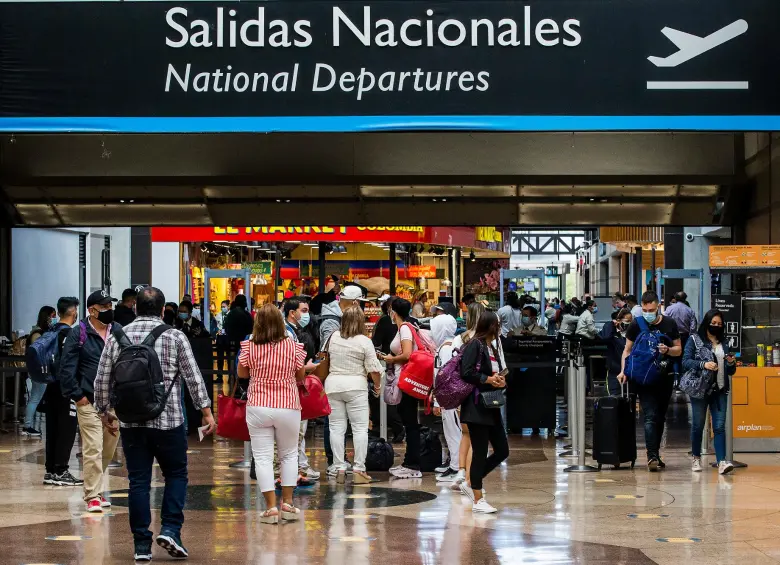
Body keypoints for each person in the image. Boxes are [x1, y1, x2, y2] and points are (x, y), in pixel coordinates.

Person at [94, 287, 215, 561]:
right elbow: (193, 378)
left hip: (132, 422)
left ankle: (141, 547)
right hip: (169, 420)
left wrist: (105, 413)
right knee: (176, 475)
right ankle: (171, 529)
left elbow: (102, 380)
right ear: (163, 310)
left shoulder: (117, 337)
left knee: (138, 482)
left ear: (135, 307)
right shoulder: (174, 336)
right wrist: (206, 412)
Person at [237, 304, 306, 525]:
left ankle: (270, 508)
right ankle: (287, 503)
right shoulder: (293, 346)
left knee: (263, 457)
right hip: (288, 405)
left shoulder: (249, 346)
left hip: (258, 405)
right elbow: (300, 376)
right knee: (288, 454)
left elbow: (242, 373)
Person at [59, 289, 120, 513]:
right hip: (89, 401)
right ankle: (92, 495)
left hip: (113, 402)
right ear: (92, 310)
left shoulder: (117, 331)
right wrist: (79, 396)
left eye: (110, 307)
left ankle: (97, 488)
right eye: (104, 308)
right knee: (92, 447)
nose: (109, 311)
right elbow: (66, 369)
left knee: (107, 449)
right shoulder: (79, 333)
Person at [617, 290, 682, 471]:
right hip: (644, 378)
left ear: (658, 307)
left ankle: (656, 453)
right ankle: (651, 455)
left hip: (664, 377)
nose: (648, 313)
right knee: (650, 415)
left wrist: (667, 350)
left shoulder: (669, 324)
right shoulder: (636, 325)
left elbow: (679, 349)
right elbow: (627, 350)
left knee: (660, 416)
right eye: (645, 309)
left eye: (651, 309)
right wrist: (624, 371)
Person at [458, 311, 510, 514]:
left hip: (491, 405)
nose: (500, 328)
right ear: (491, 326)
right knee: (480, 451)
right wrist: (489, 380)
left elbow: (495, 372)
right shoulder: (475, 344)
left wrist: (500, 380)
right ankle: (478, 498)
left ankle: (472, 481)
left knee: (502, 450)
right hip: (476, 405)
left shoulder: (492, 347)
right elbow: (467, 372)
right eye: (498, 325)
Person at [326, 306, 383, 484]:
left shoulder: (333, 337)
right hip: (356, 386)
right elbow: (374, 369)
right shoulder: (364, 341)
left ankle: (339, 467)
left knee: (336, 428)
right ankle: (359, 468)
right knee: (359, 428)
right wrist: (378, 385)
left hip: (333, 385)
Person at [684, 309, 737, 475]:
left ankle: (721, 461)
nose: (716, 326)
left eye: (719, 324)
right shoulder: (695, 340)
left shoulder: (725, 342)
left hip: (720, 389)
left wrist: (730, 363)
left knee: (719, 427)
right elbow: (686, 361)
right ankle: (696, 457)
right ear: (707, 322)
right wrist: (703, 365)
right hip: (700, 389)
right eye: (713, 323)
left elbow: (731, 371)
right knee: (698, 426)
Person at [380, 298, 423, 479]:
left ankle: (412, 465)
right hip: (403, 378)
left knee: (410, 422)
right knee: (408, 420)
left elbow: (406, 354)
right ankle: (409, 462)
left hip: (406, 379)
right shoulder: (406, 326)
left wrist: (390, 359)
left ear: (393, 312)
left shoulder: (405, 328)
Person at [42, 297, 83, 486]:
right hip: (66, 387)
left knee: (52, 427)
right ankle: (61, 469)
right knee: (67, 428)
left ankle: (50, 470)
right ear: (73, 312)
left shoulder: (50, 331)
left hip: (50, 385)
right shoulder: (71, 334)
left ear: (58, 312)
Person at [448, 302, 486, 491]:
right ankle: (470, 480)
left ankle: (461, 472)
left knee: (465, 433)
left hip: (460, 391)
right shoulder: (487, 340)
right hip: (480, 392)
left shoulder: (459, 339)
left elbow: (452, 366)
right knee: (478, 438)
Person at [282, 298, 320, 480]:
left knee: (297, 430)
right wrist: (307, 368)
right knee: (296, 430)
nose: (306, 315)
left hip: (289, 388)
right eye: (303, 310)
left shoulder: (293, 332)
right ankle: (296, 469)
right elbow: (290, 365)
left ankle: (299, 466)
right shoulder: (288, 334)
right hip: (290, 388)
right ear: (292, 312)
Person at [430, 312, 462, 483]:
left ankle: (456, 467)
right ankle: (454, 464)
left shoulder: (447, 348)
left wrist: (437, 400)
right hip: (448, 398)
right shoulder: (447, 346)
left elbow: (444, 376)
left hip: (449, 398)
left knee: (453, 432)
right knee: (450, 432)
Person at [370, 296, 404, 443]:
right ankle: (390, 428)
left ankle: (394, 428)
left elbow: (376, 343)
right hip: (403, 365)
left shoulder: (384, 321)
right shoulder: (408, 323)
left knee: (385, 397)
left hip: (387, 364)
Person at [22, 305, 56, 437]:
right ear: (46, 316)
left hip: (38, 370)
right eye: (52, 316)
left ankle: (29, 424)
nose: (54, 319)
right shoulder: (37, 334)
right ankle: (28, 425)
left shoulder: (39, 332)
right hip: (39, 370)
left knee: (36, 397)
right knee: (35, 398)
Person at [599, 308, 632, 395]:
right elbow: (605, 337)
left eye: (630, 321)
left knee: (630, 398)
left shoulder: (632, 333)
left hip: (631, 371)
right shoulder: (612, 332)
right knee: (614, 397)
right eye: (626, 321)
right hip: (614, 370)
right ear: (618, 320)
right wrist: (611, 324)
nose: (628, 323)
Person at [215, 299, 231, 381]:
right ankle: (219, 376)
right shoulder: (218, 315)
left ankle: (230, 376)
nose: (222, 308)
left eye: (224, 307)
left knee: (229, 358)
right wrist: (216, 330)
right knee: (220, 358)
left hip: (228, 338)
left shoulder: (231, 315)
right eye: (221, 307)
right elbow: (215, 326)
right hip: (220, 337)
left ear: (228, 306)